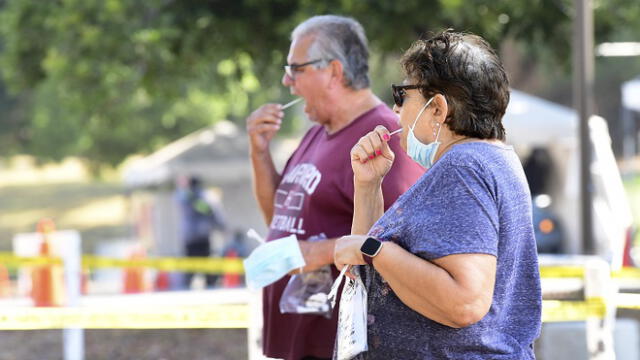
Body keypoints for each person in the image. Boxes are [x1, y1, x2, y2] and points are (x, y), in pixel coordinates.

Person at [334, 30, 542, 359]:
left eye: (402, 95)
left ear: (437, 108)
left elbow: (465, 302)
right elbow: (368, 268)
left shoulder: (464, 167)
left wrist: (373, 248)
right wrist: (368, 186)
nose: (395, 108)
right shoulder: (491, 159)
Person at [245, 15, 424, 360]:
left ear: (334, 72)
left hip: (341, 342)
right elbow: (279, 220)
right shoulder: (317, 132)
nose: (287, 81)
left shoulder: (382, 137)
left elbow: (400, 245)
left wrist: (320, 252)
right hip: (296, 340)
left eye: (295, 69)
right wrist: (258, 152)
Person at [175, 175, 226, 288]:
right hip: (201, 236)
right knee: (202, 265)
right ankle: (207, 284)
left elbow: (207, 210)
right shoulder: (200, 196)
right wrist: (221, 226)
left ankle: (191, 285)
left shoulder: (187, 196)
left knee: (194, 266)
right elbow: (209, 211)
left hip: (192, 237)